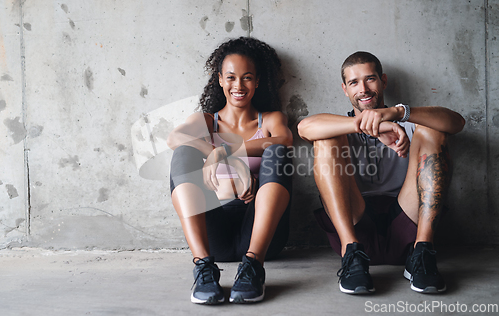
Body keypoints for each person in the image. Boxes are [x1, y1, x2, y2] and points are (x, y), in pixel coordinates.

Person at [298, 51, 465, 295]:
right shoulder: (340, 127)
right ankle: (351, 255)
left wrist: (396, 114)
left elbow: (456, 123)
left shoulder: (407, 122)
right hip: (357, 227)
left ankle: (423, 252)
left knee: (433, 131)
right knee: (325, 139)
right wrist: (370, 127)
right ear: (345, 89)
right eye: (354, 83)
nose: (363, 89)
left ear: (383, 81)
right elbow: (304, 128)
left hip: (407, 228)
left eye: (370, 79)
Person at [167, 37, 293, 304]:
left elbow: (284, 140)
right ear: (220, 80)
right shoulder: (206, 121)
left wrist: (227, 151)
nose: (239, 85)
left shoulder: (270, 119)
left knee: (278, 151)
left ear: (257, 81)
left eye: (247, 78)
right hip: (215, 233)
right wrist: (212, 151)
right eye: (231, 77)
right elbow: (174, 138)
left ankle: (253, 267)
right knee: (184, 151)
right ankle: (203, 267)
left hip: (262, 232)